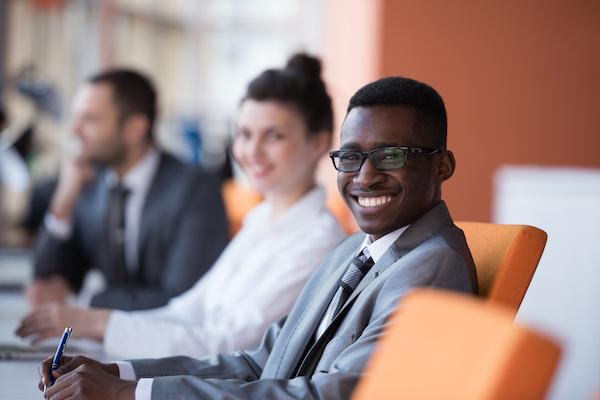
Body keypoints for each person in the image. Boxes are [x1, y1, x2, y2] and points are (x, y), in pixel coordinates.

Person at [38, 76, 478, 399]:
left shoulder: (429, 263)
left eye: (390, 155)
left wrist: (126, 394)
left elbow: (328, 396)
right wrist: (120, 372)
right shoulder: (354, 250)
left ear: (443, 166)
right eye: (351, 157)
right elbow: (261, 358)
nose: (366, 176)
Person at [17, 54, 347, 358]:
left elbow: (232, 346)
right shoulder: (261, 219)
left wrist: (98, 323)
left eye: (274, 136)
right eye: (245, 134)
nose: (252, 151)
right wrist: (89, 321)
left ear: (318, 143)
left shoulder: (319, 241)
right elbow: (187, 310)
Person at [26, 69, 229, 310]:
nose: (75, 131)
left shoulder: (195, 189)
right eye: (76, 118)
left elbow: (182, 298)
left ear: (134, 128)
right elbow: (46, 284)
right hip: (107, 340)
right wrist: (64, 200)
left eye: (89, 120)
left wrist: (84, 301)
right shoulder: (89, 184)